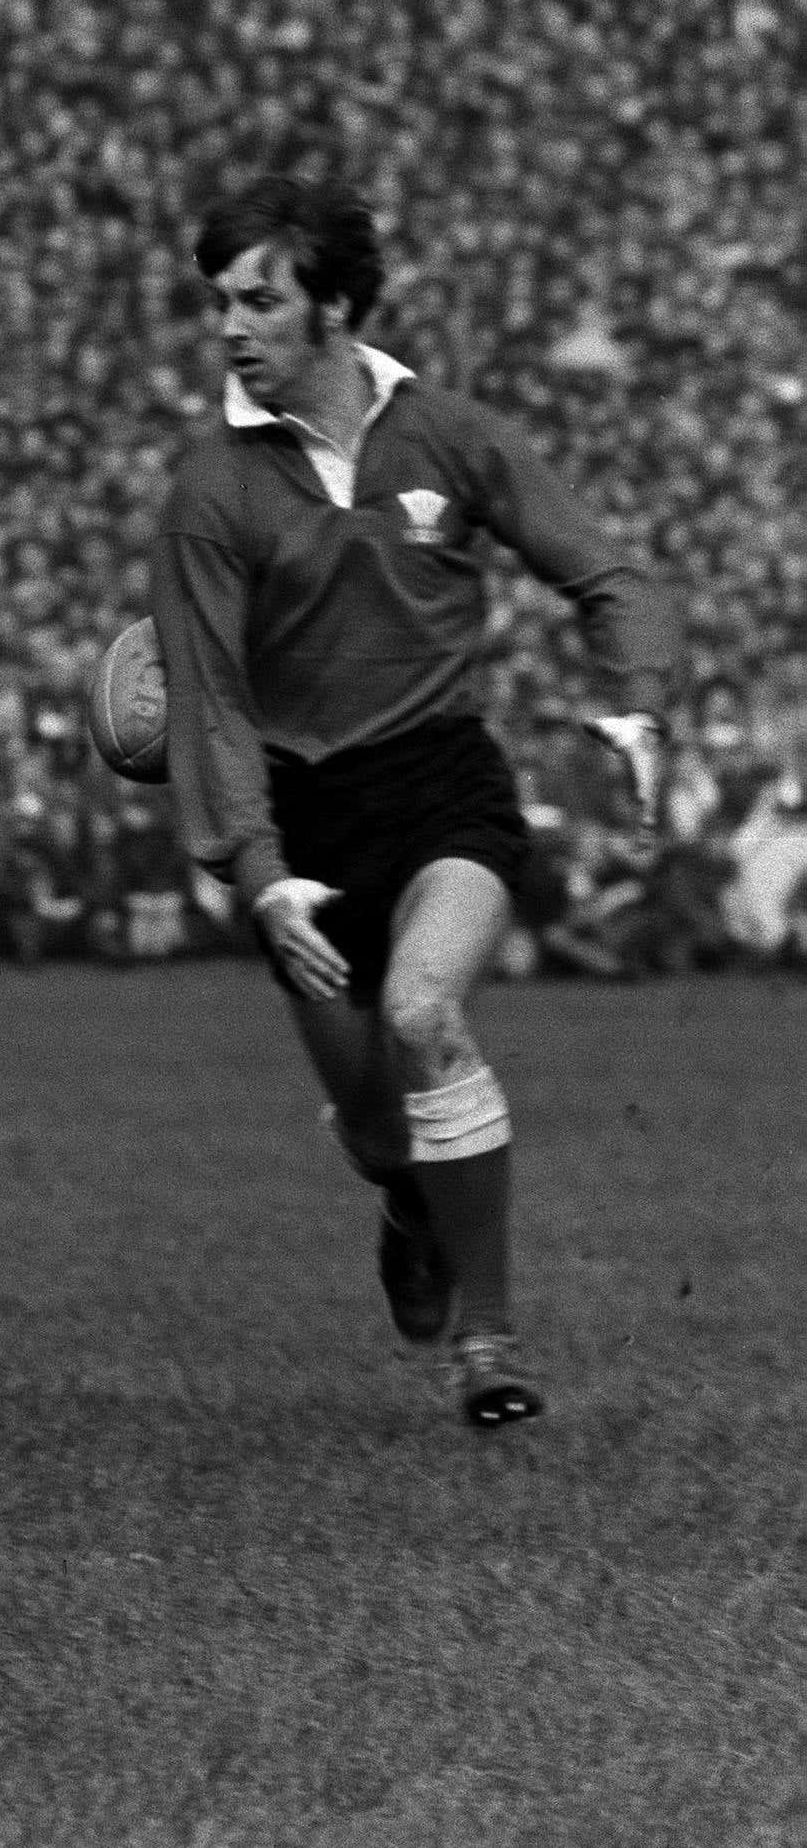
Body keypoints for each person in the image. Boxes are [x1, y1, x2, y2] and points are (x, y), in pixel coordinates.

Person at [151, 174, 675, 1429]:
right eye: (218, 303)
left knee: (425, 1009)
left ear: (333, 306)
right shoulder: (209, 489)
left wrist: (634, 702)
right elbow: (210, 699)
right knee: (383, 1132)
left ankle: (485, 1347)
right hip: (299, 823)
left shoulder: (453, 435)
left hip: (442, 786)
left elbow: (606, 573)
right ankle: (404, 1201)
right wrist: (259, 870)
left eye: (259, 300)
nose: (229, 327)